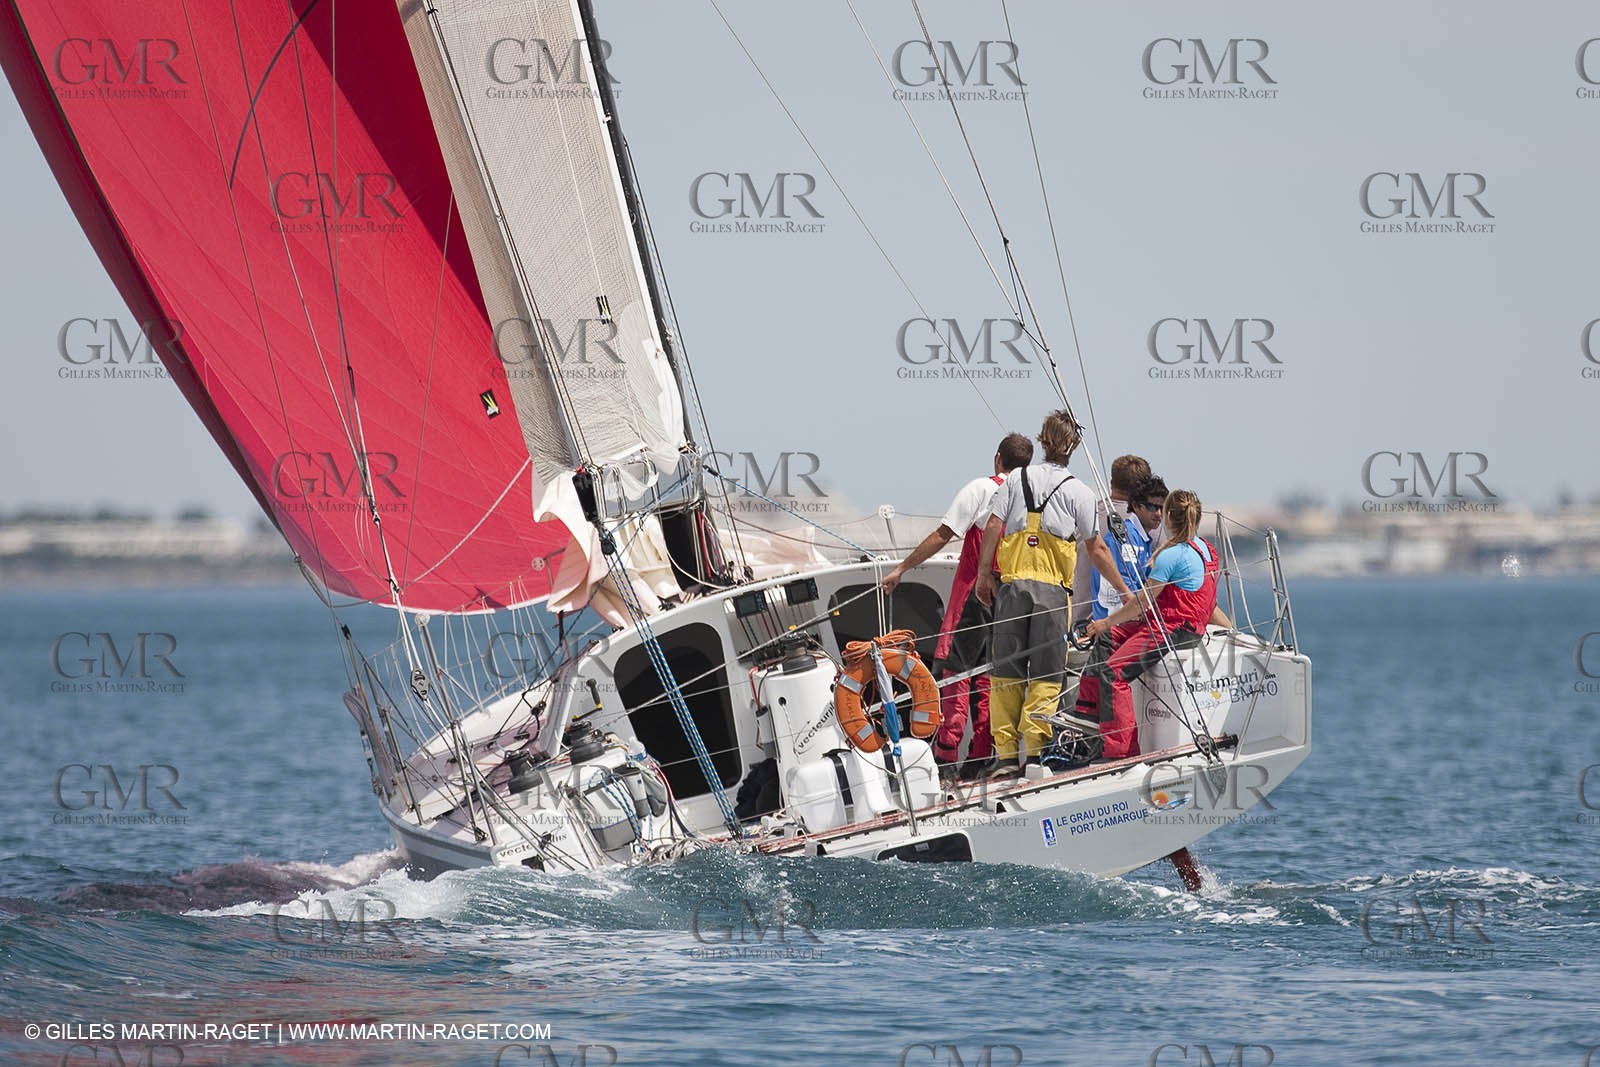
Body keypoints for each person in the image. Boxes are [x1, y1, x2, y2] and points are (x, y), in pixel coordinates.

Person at [974, 411, 1125, 776]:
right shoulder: (1080, 492)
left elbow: (993, 526)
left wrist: (983, 575)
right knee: (1046, 676)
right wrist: (1124, 590)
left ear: (1041, 439)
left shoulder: (1014, 481)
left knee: (1006, 674)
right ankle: (1037, 756)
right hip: (1053, 596)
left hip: (1011, 588)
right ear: (1073, 446)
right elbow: (1097, 550)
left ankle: (1007, 758)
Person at [882, 433, 1033, 780]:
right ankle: (982, 758)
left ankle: (945, 761)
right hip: (1010, 601)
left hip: (973, 597)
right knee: (991, 679)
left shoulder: (982, 489)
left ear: (998, 459)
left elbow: (942, 535)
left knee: (956, 675)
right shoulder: (1027, 499)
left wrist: (901, 569)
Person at [1085, 489, 1233, 759]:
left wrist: (1105, 622)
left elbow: (1142, 602)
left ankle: (1122, 751)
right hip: (1177, 625)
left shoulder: (1171, 555)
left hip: (1174, 630)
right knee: (1110, 638)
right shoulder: (1207, 550)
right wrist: (1232, 629)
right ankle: (1087, 711)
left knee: (1113, 672)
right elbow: (1207, 603)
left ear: (1167, 516)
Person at [1075, 473, 1167, 759]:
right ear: (1136, 506)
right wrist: (1115, 623)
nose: (1159, 514)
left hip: (1121, 625)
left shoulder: (1143, 540)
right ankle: (1115, 749)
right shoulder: (1123, 538)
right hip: (1114, 628)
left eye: (1162, 507)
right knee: (1111, 678)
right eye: (1153, 506)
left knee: (1099, 682)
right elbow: (1109, 590)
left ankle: (1089, 733)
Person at [1070, 455, 1152, 627]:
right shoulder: (1152, 525)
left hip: (1084, 624)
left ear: (1112, 482)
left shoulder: (1085, 516)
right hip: (1128, 627)